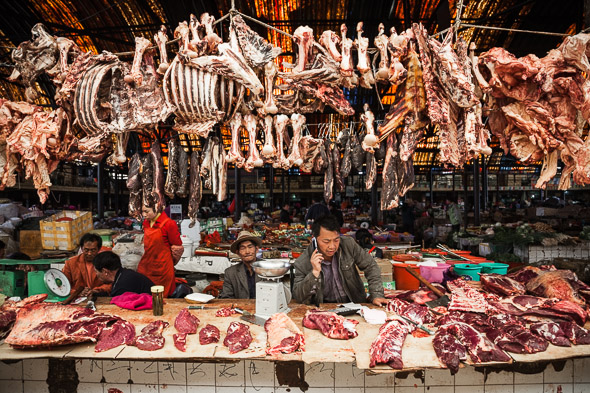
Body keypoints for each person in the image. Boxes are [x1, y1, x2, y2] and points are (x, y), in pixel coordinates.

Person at [293, 215, 387, 306]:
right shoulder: (302, 262)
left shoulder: (348, 244)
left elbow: (370, 266)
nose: (332, 246)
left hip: (354, 305)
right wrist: (314, 273)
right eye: (326, 241)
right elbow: (298, 296)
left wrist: (376, 295)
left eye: (336, 240)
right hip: (323, 311)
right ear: (315, 238)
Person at [137, 202, 183, 297]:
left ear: (156, 208)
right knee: (145, 297)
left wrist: (171, 262)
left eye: (146, 211)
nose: (144, 215)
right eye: (142, 211)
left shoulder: (169, 224)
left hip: (162, 268)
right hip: (146, 266)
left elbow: (177, 247)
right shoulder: (146, 223)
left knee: (162, 298)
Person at [219, 231, 262, 299]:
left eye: (250, 247)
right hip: (240, 308)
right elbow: (226, 298)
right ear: (238, 253)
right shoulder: (230, 273)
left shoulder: (267, 268)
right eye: (243, 248)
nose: (247, 252)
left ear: (256, 249)